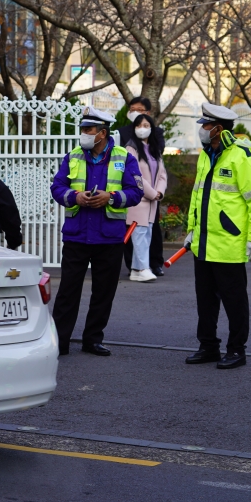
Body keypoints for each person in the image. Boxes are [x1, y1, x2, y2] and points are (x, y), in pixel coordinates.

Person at [50, 106, 143, 356]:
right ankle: (60, 341)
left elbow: (136, 192)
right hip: (77, 235)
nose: (83, 134)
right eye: (82, 129)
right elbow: (57, 187)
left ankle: (93, 339)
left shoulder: (125, 157)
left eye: (88, 130)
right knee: (68, 291)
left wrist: (110, 197)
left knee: (103, 292)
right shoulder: (73, 156)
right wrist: (75, 196)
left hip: (109, 236)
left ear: (102, 133)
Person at [184, 103, 251, 370]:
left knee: (234, 301)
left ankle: (236, 349)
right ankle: (207, 346)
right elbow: (197, 197)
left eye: (205, 126)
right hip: (204, 242)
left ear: (218, 129)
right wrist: (191, 230)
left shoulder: (240, 156)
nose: (202, 130)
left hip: (230, 243)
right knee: (205, 301)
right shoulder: (206, 155)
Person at [119, 97, 167, 276]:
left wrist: (158, 192)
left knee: (150, 232)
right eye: (132, 109)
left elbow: (161, 172)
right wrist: (150, 192)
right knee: (135, 231)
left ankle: (152, 264)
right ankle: (137, 267)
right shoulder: (125, 137)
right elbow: (133, 172)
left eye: (139, 109)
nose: (135, 113)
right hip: (136, 194)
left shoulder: (155, 140)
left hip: (154, 195)